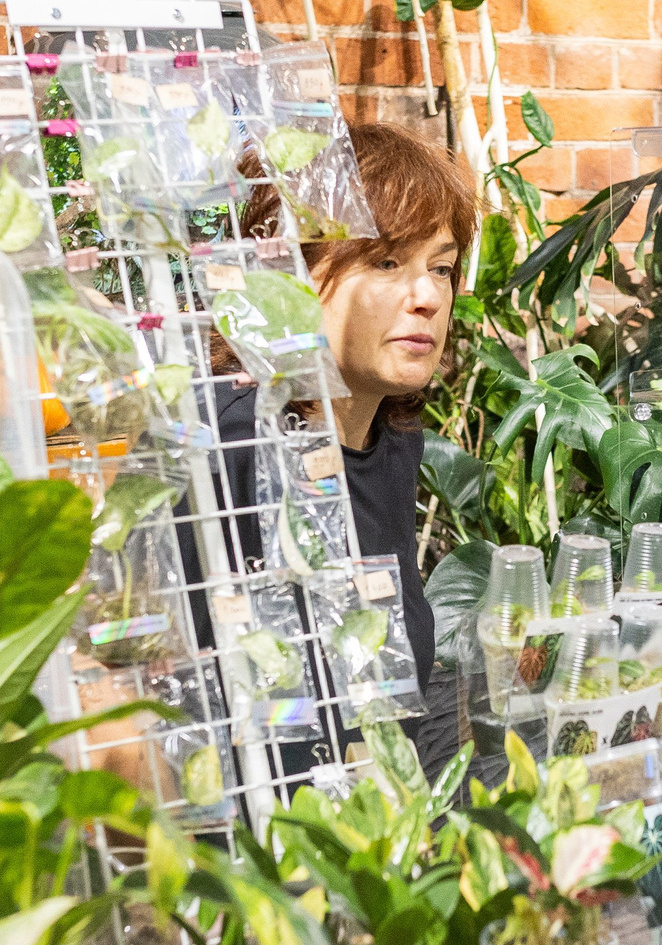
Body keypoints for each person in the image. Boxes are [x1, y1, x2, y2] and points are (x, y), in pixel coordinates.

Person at [197, 119, 475, 780]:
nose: (428, 296)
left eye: (442, 268)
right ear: (292, 271)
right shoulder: (233, 438)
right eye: (387, 261)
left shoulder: (392, 440)